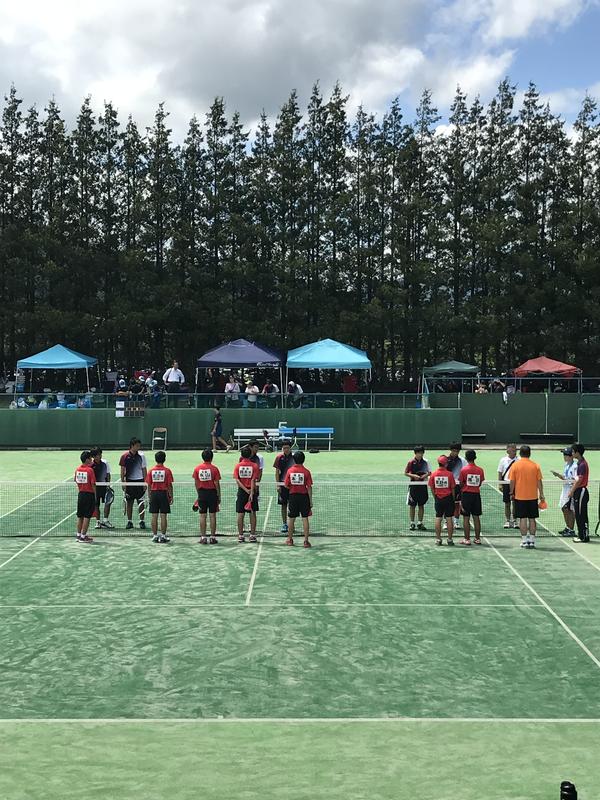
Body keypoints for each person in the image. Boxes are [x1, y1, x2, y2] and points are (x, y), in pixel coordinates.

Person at [509, 445, 545, 549]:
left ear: (520, 453)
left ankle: (524, 541)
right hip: (533, 497)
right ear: (529, 454)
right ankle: (532, 541)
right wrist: (541, 494)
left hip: (520, 497)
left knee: (523, 519)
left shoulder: (515, 465)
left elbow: (512, 481)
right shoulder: (535, 466)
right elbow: (539, 482)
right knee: (532, 519)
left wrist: (511, 492)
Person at [284, 450, 313, 547]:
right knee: (305, 518)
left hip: (293, 497)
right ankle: (306, 541)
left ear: (294, 460)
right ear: (303, 460)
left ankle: (289, 539)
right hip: (304, 497)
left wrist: (293, 487)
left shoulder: (290, 471)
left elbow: (286, 485)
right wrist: (310, 501)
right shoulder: (306, 472)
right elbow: (309, 487)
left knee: (291, 519)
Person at [192, 448, 221, 544]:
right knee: (212, 516)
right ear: (211, 458)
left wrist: (199, 493)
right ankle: (212, 537)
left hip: (202, 494)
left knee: (202, 516)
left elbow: (196, 483)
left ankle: (203, 537)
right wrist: (218, 495)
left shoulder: (197, 469)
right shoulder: (215, 469)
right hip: (212, 494)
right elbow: (216, 483)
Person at [233, 445, 260, 543]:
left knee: (240, 513)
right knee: (252, 513)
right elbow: (253, 480)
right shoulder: (254, 466)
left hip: (242, 491)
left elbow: (237, 480)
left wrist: (245, 490)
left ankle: (240, 535)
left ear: (242, 455)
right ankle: (252, 535)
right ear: (250, 454)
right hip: (252, 491)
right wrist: (251, 492)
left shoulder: (238, 466)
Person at [145, 451, 173, 543]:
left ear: (155, 459)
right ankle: (163, 536)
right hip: (163, 494)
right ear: (164, 459)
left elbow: (149, 485)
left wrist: (149, 496)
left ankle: (155, 536)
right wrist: (171, 496)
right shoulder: (167, 471)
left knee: (154, 516)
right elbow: (169, 485)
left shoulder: (151, 471)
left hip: (154, 494)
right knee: (163, 516)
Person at [119, 437, 147, 530]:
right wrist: (123, 483)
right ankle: (129, 521)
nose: (139, 447)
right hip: (129, 482)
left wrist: (145, 482)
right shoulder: (124, 456)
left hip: (140, 482)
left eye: (139, 446)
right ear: (132, 446)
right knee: (129, 503)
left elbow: (144, 469)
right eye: (137, 446)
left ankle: (142, 521)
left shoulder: (142, 456)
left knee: (141, 502)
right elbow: (122, 470)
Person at [459, 450, 485, 545]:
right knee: (476, 517)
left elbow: (461, 483)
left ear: (466, 458)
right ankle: (477, 539)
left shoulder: (463, 470)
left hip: (466, 495)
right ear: (475, 458)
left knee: (466, 518)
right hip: (476, 495)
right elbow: (480, 483)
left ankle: (467, 539)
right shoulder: (480, 470)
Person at [428, 456, 456, 545]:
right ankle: (450, 540)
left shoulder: (433, 474)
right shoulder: (450, 474)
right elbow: (453, 488)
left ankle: (438, 539)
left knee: (438, 518)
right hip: (448, 499)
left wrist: (435, 497)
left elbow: (432, 488)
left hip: (438, 499)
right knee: (449, 519)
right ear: (446, 464)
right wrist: (453, 499)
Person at [552, 447, 577, 538]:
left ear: (571, 456)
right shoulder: (567, 465)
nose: (564, 456)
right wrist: (558, 475)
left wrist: (572, 491)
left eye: (566, 455)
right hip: (565, 490)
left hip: (570, 490)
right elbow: (565, 478)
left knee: (569, 510)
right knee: (563, 508)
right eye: (564, 455)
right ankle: (568, 527)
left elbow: (576, 480)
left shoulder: (575, 467)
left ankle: (571, 530)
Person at [404, 446, 431, 531]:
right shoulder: (411, 462)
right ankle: (412, 523)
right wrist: (413, 476)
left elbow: (430, 472)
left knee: (421, 505)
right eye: (418, 453)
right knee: (412, 505)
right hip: (413, 486)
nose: (420, 454)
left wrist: (424, 476)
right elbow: (406, 473)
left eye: (421, 453)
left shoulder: (426, 462)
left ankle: (420, 523)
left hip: (423, 486)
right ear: (415, 453)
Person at [569, 443, 590, 543]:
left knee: (580, 515)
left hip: (581, 491)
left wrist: (571, 491)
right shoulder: (580, 463)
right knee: (579, 514)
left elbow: (579, 481)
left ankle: (582, 536)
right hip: (579, 491)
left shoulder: (582, 465)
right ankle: (583, 536)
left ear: (577, 452)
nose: (572, 453)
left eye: (573, 452)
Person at [74, 450, 96, 543]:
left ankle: (78, 535)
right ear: (87, 460)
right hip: (89, 495)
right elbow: (93, 484)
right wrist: (95, 496)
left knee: (80, 516)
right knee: (87, 517)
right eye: (90, 458)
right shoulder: (90, 470)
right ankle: (83, 537)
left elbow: (75, 480)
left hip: (81, 495)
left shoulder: (77, 469)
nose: (91, 460)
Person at [274, 440, 295, 533]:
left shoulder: (294, 457)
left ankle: (291, 524)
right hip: (282, 485)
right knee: (283, 505)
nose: (286, 449)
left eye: (287, 448)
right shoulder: (279, 457)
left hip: (292, 485)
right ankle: (284, 524)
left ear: (290, 448)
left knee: (292, 505)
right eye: (284, 448)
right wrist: (278, 484)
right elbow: (277, 472)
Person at [90, 446, 114, 529]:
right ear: (93, 456)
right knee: (96, 505)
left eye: (100, 454)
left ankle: (105, 520)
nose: (100, 456)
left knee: (108, 503)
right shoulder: (91, 466)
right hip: (95, 488)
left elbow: (108, 474)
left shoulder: (105, 463)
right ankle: (98, 521)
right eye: (98, 455)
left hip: (104, 487)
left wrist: (108, 485)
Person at [497, 444, 519, 529]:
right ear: (508, 451)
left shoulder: (519, 460)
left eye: (515, 450)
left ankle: (515, 520)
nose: (514, 451)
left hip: (516, 484)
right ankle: (507, 520)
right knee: (507, 503)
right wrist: (500, 483)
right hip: (506, 483)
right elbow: (500, 472)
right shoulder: (503, 460)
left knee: (515, 503)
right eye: (512, 450)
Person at [446, 443, 466, 530]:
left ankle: (456, 521)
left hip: (457, 485)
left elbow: (464, 472)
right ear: (450, 450)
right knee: (447, 504)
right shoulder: (445, 460)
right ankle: (446, 522)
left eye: (457, 451)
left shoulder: (462, 461)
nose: (455, 453)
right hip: (447, 485)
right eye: (454, 451)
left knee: (457, 504)